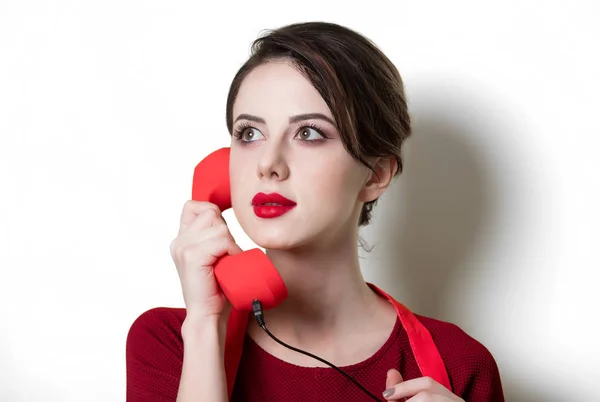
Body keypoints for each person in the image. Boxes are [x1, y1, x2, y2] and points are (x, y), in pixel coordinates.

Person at [126, 21, 504, 401]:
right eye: (249, 134)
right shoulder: (172, 342)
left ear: (375, 174)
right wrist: (206, 324)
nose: (268, 164)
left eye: (308, 132)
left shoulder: (461, 365)